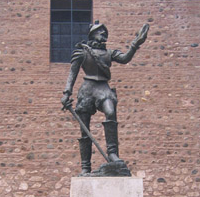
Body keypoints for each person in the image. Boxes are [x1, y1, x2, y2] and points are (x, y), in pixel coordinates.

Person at [61, 21, 149, 174]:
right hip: (87, 89)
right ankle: (85, 167)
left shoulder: (109, 53)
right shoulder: (82, 52)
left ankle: (112, 153)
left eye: (104, 32)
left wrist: (136, 43)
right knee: (84, 129)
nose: (103, 34)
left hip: (103, 88)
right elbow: (72, 73)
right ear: (92, 34)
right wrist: (66, 93)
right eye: (99, 32)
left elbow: (125, 58)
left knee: (110, 112)